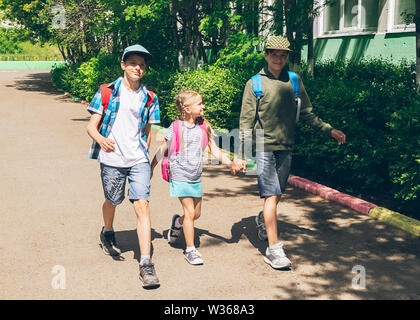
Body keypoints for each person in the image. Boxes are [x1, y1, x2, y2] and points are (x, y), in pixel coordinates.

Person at [238, 36, 346, 270]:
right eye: (274, 54)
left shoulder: (294, 81)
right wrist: (242, 154)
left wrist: (329, 130)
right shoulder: (255, 83)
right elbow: (246, 121)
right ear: (266, 55)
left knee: (276, 196)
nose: (279, 59)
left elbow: (307, 113)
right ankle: (274, 250)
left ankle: (262, 220)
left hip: (286, 146)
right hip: (264, 146)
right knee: (270, 196)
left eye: (283, 55)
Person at [86, 44, 161, 288]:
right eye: (133, 63)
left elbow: (148, 130)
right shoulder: (107, 91)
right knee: (113, 200)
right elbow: (91, 126)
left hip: (137, 159)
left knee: (143, 205)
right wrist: (101, 139)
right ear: (123, 65)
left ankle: (146, 263)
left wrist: (146, 158)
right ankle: (108, 230)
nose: (138, 68)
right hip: (112, 160)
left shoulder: (150, 97)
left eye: (142, 64)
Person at [151, 90, 244, 265]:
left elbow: (214, 150)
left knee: (196, 214)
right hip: (179, 174)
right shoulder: (176, 127)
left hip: (195, 175)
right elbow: (162, 149)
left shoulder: (203, 126)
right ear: (187, 109)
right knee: (190, 212)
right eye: (199, 104)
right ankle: (190, 249)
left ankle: (177, 223)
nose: (203, 106)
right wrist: (151, 167)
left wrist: (230, 163)